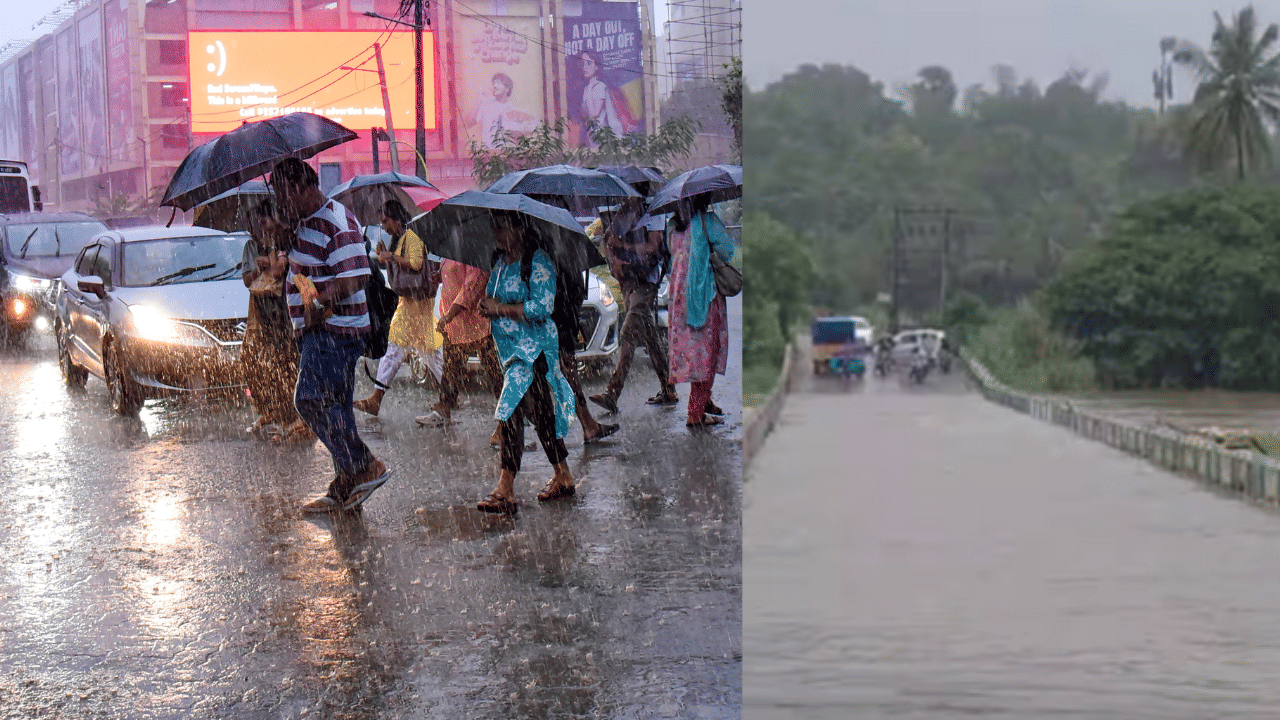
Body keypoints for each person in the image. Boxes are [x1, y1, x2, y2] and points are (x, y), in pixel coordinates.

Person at [269, 158, 391, 513]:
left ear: (306, 187)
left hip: (336, 329)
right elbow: (297, 270)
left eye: (286, 195)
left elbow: (355, 276)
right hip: (315, 330)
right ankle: (346, 488)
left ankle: (363, 465)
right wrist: (281, 239)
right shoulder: (300, 223)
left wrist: (318, 303)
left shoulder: (336, 219)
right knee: (336, 407)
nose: (282, 202)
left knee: (310, 400)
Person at [475, 214, 578, 514]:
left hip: (535, 351)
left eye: (502, 227)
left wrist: (502, 309)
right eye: (493, 227)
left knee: (510, 411)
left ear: (519, 229)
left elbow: (542, 307)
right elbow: (493, 298)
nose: (496, 233)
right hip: (511, 353)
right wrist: (487, 306)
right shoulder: (500, 263)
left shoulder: (538, 261)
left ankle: (505, 487)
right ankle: (564, 474)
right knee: (543, 415)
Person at [588, 198, 679, 414]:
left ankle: (612, 392)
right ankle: (669, 389)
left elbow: (652, 246)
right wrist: (613, 260)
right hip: (628, 281)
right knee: (651, 338)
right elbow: (606, 241)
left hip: (646, 283)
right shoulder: (624, 212)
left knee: (628, 332)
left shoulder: (654, 214)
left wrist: (623, 246)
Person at [354, 199, 441, 417]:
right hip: (410, 302)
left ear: (396, 219)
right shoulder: (399, 239)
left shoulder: (411, 237)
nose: (383, 226)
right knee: (428, 353)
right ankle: (450, 393)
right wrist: (387, 255)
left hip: (415, 304)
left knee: (398, 350)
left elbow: (416, 264)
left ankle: (377, 398)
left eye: (385, 221)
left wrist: (391, 256)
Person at [239, 200, 309, 443]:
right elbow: (251, 278)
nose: (262, 227)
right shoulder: (266, 244)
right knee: (276, 363)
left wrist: (269, 261)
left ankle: (297, 419)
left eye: (265, 222)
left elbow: (280, 270)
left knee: (291, 364)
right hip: (273, 313)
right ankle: (283, 415)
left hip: (291, 311)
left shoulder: (286, 242)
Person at [416, 256, 504, 450]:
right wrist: (439, 277)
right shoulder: (451, 252)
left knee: (494, 373)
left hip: (474, 322)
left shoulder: (471, 252)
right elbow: (454, 277)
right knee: (451, 369)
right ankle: (444, 408)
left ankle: (507, 418)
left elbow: (472, 286)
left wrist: (449, 315)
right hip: (455, 325)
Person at [666, 197, 735, 427]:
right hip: (704, 298)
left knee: (693, 354)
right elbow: (728, 251)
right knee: (707, 353)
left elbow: (671, 259)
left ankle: (704, 403)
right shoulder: (708, 222)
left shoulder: (673, 227)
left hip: (679, 300)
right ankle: (695, 415)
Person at [474, 72, 540, 149]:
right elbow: (469, 122)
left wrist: (519, 133)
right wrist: (478, 100)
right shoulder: (485, 105)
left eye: (498, 83)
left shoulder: (513, 111)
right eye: (494, 83)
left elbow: (532, 126)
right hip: (489, 154)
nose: (494, 86)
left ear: (507, 88)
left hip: (507, 154)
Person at [577, 50, 626, 147]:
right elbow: (583, 115)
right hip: (592, 137)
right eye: (583, 63)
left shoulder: (600, 87)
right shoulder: (587, 89)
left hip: (602, 137)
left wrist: (590, 89)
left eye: (589, 63)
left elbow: (594, 114)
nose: (585, 67)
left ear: (596, 66)